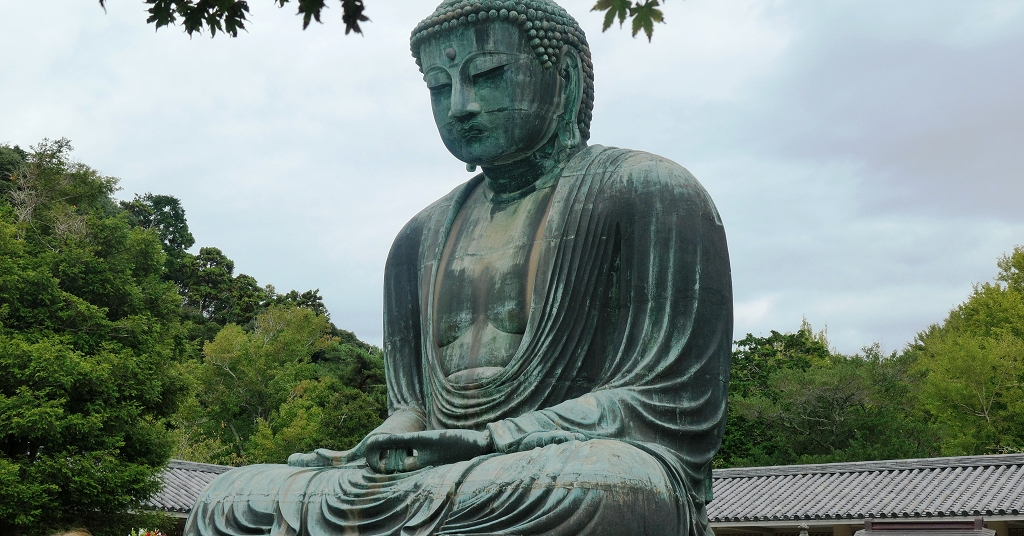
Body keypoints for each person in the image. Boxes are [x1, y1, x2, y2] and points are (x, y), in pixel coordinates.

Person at [184, 0, 732, 534]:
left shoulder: (649, 192)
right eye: (440, 87)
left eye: (487, 75)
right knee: (230, 497)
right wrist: (386, 444)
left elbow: (667, 403)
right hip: (444, 474)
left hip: (556, 465)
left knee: (606, 486)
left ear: (562, 77)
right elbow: (412, 406)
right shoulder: (418, 238)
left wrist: (493, 438)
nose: (460, 106)